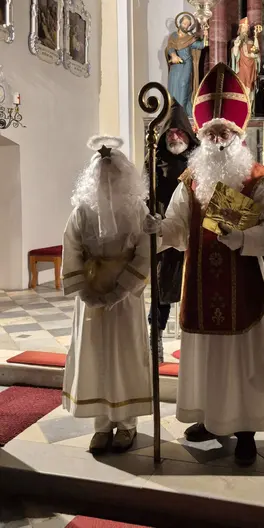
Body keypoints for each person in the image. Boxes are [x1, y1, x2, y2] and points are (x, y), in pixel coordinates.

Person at [144, 63, 264, 466]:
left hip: (245, 281)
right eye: (211, 134)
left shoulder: (258, 180)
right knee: (206, 356)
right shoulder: (191, 180)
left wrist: (243, 239)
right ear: (201, 137)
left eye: (225, 133)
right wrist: (156, 229)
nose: (218, 140)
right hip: (201, 281)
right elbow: (176, 226)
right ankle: (209, 418)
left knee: (242, 360)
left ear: (239, 136)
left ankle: (246, 430)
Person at [62, 136, 152, 455]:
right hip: (91, 292)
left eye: (113, 173)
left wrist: (122, 289)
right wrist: (84, 292)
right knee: (96, 356)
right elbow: (71, 247)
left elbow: (145, 252)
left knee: (124, 355)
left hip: (125, 298)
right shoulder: (82, 211)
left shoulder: (137, 210)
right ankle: (101, 425)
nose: (107, 179)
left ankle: (127, 424)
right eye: (101, 174)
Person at [146, 100, 199, 362]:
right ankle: (155, 337)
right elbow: (144, 192)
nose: (175, 137)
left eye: (179, 132)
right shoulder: (156, 160)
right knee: (162, 285)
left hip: (194, 230)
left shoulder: (199, 161)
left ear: (188, 134)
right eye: (170, 132)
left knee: (196, 286)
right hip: (164, 231)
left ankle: (195, 341)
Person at [166, 13, 205, 116]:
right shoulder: (174, 36)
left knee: (184, 84)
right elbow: (170, 46)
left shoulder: (190, 38)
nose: (185, 26)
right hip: (176, 65)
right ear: (180, 23)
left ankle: (182, 111)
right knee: (174, 84)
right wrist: (174, 55)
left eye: (187, 24)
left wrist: (206, 35)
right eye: (184, 23)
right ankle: (173, 110)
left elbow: (200, 45)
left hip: (186, 63)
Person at [231, 18, 261, 103]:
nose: (245, 30)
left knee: (250, 87)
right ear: (240, 29)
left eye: (246, 28)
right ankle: (242, 105)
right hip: (241, 67)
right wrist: (236, 46)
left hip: (251, 67)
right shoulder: (237, 41)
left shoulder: (251, 41)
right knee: (241, 86)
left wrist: (254, 55)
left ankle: (249, 105)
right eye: (243, 28)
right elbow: (235, 54)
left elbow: (256, 52)